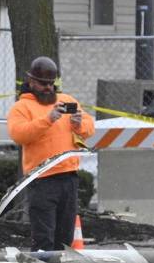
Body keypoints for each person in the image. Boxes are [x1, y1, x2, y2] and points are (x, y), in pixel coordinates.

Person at [7, 56, 94, 251]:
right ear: (31, 81)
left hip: (68, 177)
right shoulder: (22, 107)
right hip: (41, 179)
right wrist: (47, 120)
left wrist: (79, 124)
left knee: (65, 237)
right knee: (43, 237)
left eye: (50, 83)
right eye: (43, 83)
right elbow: (19, 134)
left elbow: (89, 127)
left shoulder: (66, 100)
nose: (48, 88)